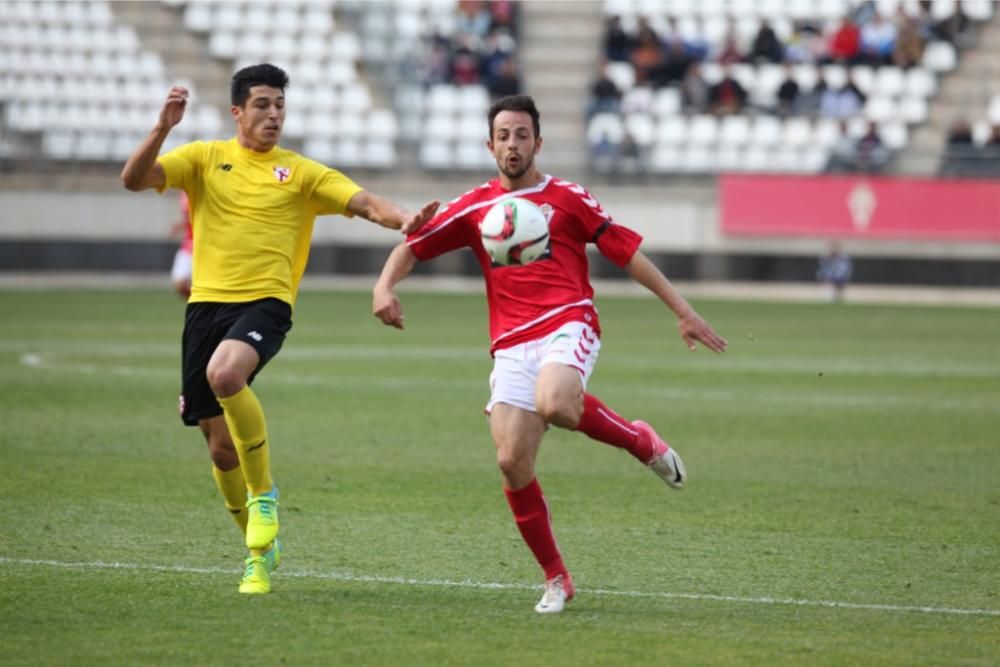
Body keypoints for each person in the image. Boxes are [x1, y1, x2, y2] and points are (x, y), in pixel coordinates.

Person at [372, 95, 727, 614]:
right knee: (511, 461)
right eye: (503, 136)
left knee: (557, 403)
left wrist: (683, 309)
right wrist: (383, 287)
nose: (512, 145)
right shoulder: (474, 207)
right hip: (511, 344)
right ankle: (557, 578)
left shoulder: (568, 198)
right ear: (489, 145)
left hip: (568, 321)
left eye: (521, 135)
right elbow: (412, 244)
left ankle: (637, 440)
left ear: (538, 142)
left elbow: (625, 252)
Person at [120, 64, 439, 595]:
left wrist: (403, 218)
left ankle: (263, 494)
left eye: (280, 106)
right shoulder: (203, 158)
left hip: (265, 304)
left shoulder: (302, 173)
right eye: (262, 105)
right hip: (205, 309)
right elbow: (133, 180)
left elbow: (365, 203)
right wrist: (162, 128)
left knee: (227, 375)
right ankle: (260, 555)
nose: (273, 115)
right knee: (220, 449)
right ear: (238, 112)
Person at [168, 191, 193, 299]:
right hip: (188, 244)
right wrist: (179, 226)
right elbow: (188, 218)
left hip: (204, 245)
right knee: (179, 283)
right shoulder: (183, 193)